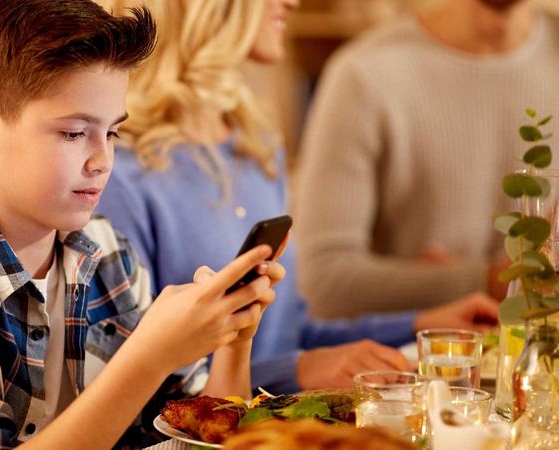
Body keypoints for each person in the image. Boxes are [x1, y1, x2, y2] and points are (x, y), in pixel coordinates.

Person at [0, 1, 286, 449]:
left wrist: (234, 339)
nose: (103, 161)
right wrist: (148, 358)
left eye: (111, 133)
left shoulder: (109, 253)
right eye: (74, 133)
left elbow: (198, 434)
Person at [97, 0, 500, 395]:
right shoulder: (118, 173)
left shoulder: (254, 148)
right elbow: (127, 389)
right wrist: (297, 370)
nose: (293, 3)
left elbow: (288, 337)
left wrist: (418, 326)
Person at [294, 0, 559, 318]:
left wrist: (441, 281)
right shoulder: (365, 74)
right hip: (423, 349)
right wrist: (495, 280)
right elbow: (321, 283)